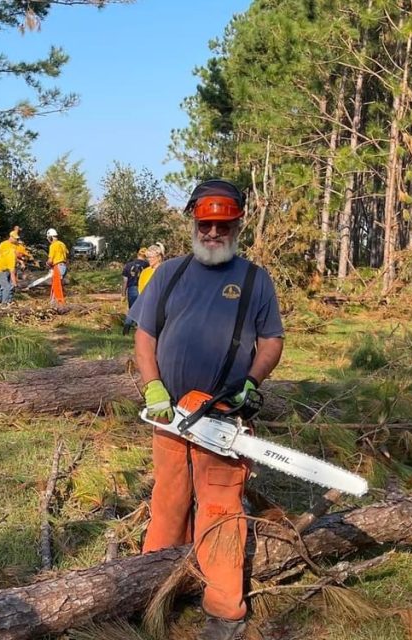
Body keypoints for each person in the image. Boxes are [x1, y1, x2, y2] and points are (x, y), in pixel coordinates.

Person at [128, 179, 284, 640]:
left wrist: (250, 383)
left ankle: (223, 609)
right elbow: (145, 335)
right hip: (170, 414)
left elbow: (272, 341)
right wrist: (153, 387)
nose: (213, 232)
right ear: (194, 222)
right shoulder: (169, 273)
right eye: (206, 224)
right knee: (168, 502)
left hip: (221, 417)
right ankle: (151, 588)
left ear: (237, 224)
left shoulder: (255, 280)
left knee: (219, 508)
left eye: (223, 224)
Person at [121, 248, 149, 332]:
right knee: (142, 310)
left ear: (137, 254)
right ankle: (139, 329)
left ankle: (127, 325)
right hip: (143, 288)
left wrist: (123, 294)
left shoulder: (128, 265)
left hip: (131, 289)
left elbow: (125, 281)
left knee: (132, 309)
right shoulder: (147, 265)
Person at [0, 230, 20, 305]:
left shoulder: (15, 247)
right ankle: (4, 304)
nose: (17, 240)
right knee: (7, 286)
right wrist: (15, 284)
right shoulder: (4, 244)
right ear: (11, 237)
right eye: (15, 238)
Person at [46, 228, 68, 305]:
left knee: (56, 286)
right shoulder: (62, 244)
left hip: (58, 266)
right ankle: (53, 303)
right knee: (56, 285)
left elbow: (50, 260)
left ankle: (59, 303)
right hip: (64, 266)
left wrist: (47, 264)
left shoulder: (53, 245)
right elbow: (66, 254)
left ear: (50, 237)